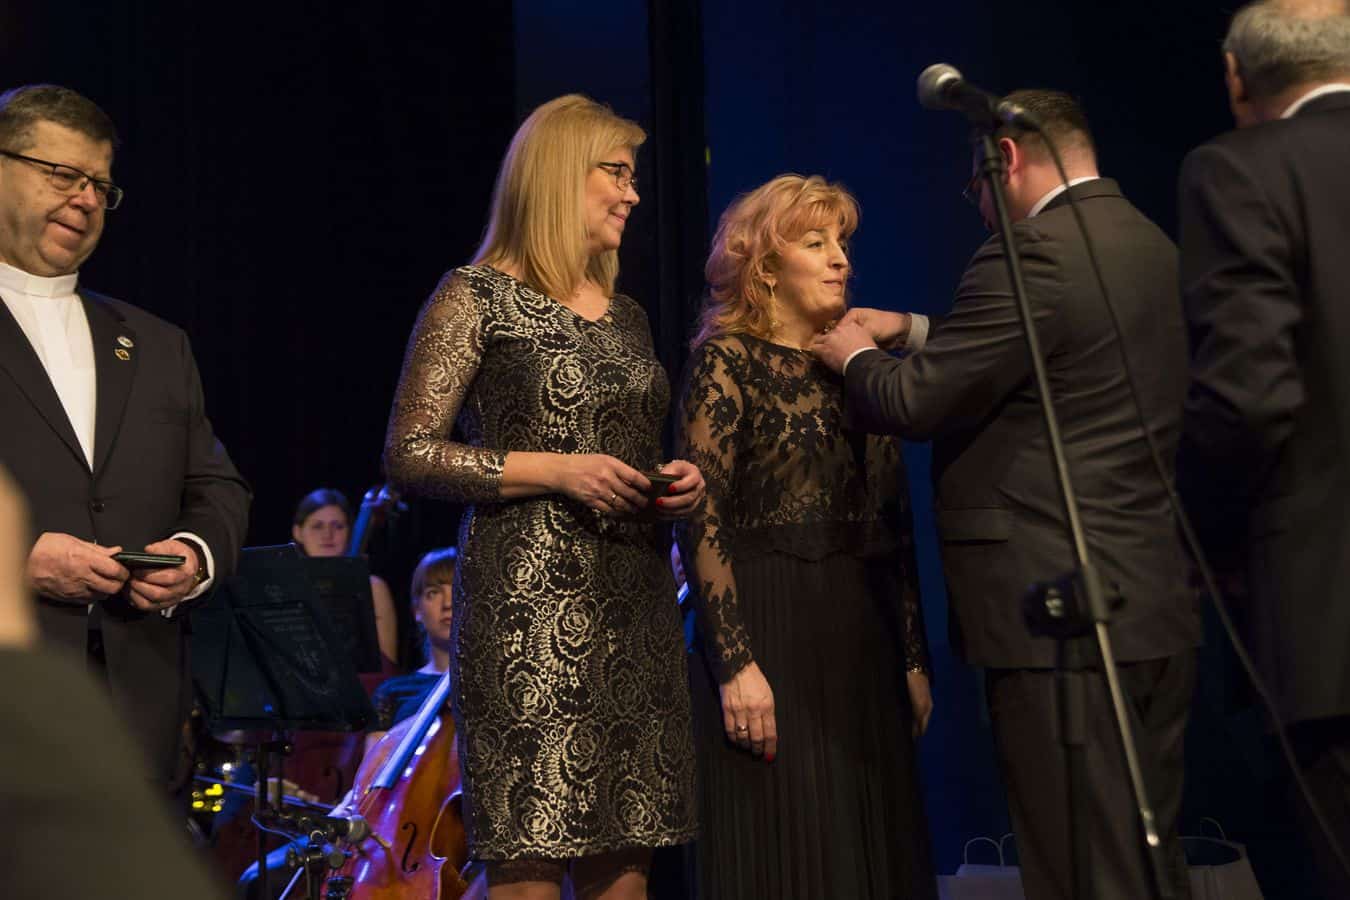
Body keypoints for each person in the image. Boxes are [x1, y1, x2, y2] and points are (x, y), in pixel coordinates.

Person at [813, 91, 1199, 900]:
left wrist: (853, 356)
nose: (981, 209)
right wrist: (914, 329)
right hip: (1152, 601)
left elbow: (916, 403)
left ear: (1008, 159)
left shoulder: (1029, 251)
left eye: (975, 189)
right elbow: (1052, 350)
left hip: (1058, 607)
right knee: (1143, 856)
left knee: (1077, 864)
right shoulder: (1150, 242)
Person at [383, 94, 704, 900]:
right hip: (527, 615)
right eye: (616, 173)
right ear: (561, 174)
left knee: (627, 867)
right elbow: (410, 455)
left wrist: (672, 483)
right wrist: (558, 470)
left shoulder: (627, 316)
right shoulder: (475, 295)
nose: (633, 194)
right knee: (530, 860)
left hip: (635, 610)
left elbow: (622, 451)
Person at [675, 174, 935, 899]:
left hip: (862, 633)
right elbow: (702, 517)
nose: (840, 259)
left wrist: (914, 658)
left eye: (842, 243)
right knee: (788, 849)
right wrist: (734, 664)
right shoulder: (726, 361)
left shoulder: (858, 369)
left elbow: (894, 525)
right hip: (769, 628)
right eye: (815, 243)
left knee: (870, 848)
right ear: (764, 268)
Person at [0, 84, 250, 788]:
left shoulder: (157, 343)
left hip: (137, 705)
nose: (84, 199)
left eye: (100, 186)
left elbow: (216, 487)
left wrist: (193, 555)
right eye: (62, 174)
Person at [1177, 2, 1350, 894]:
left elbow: (1248, 396)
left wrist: (1203, 542)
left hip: (1328, 622)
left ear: (1236, 77)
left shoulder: (1241, 169)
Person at [290, 488, 399, 664]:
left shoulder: (373, 587)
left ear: (350, 531)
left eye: (338, 526)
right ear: (298, 532)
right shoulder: (287, 586)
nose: (328, 535)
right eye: (318, 526)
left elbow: (386, 665)